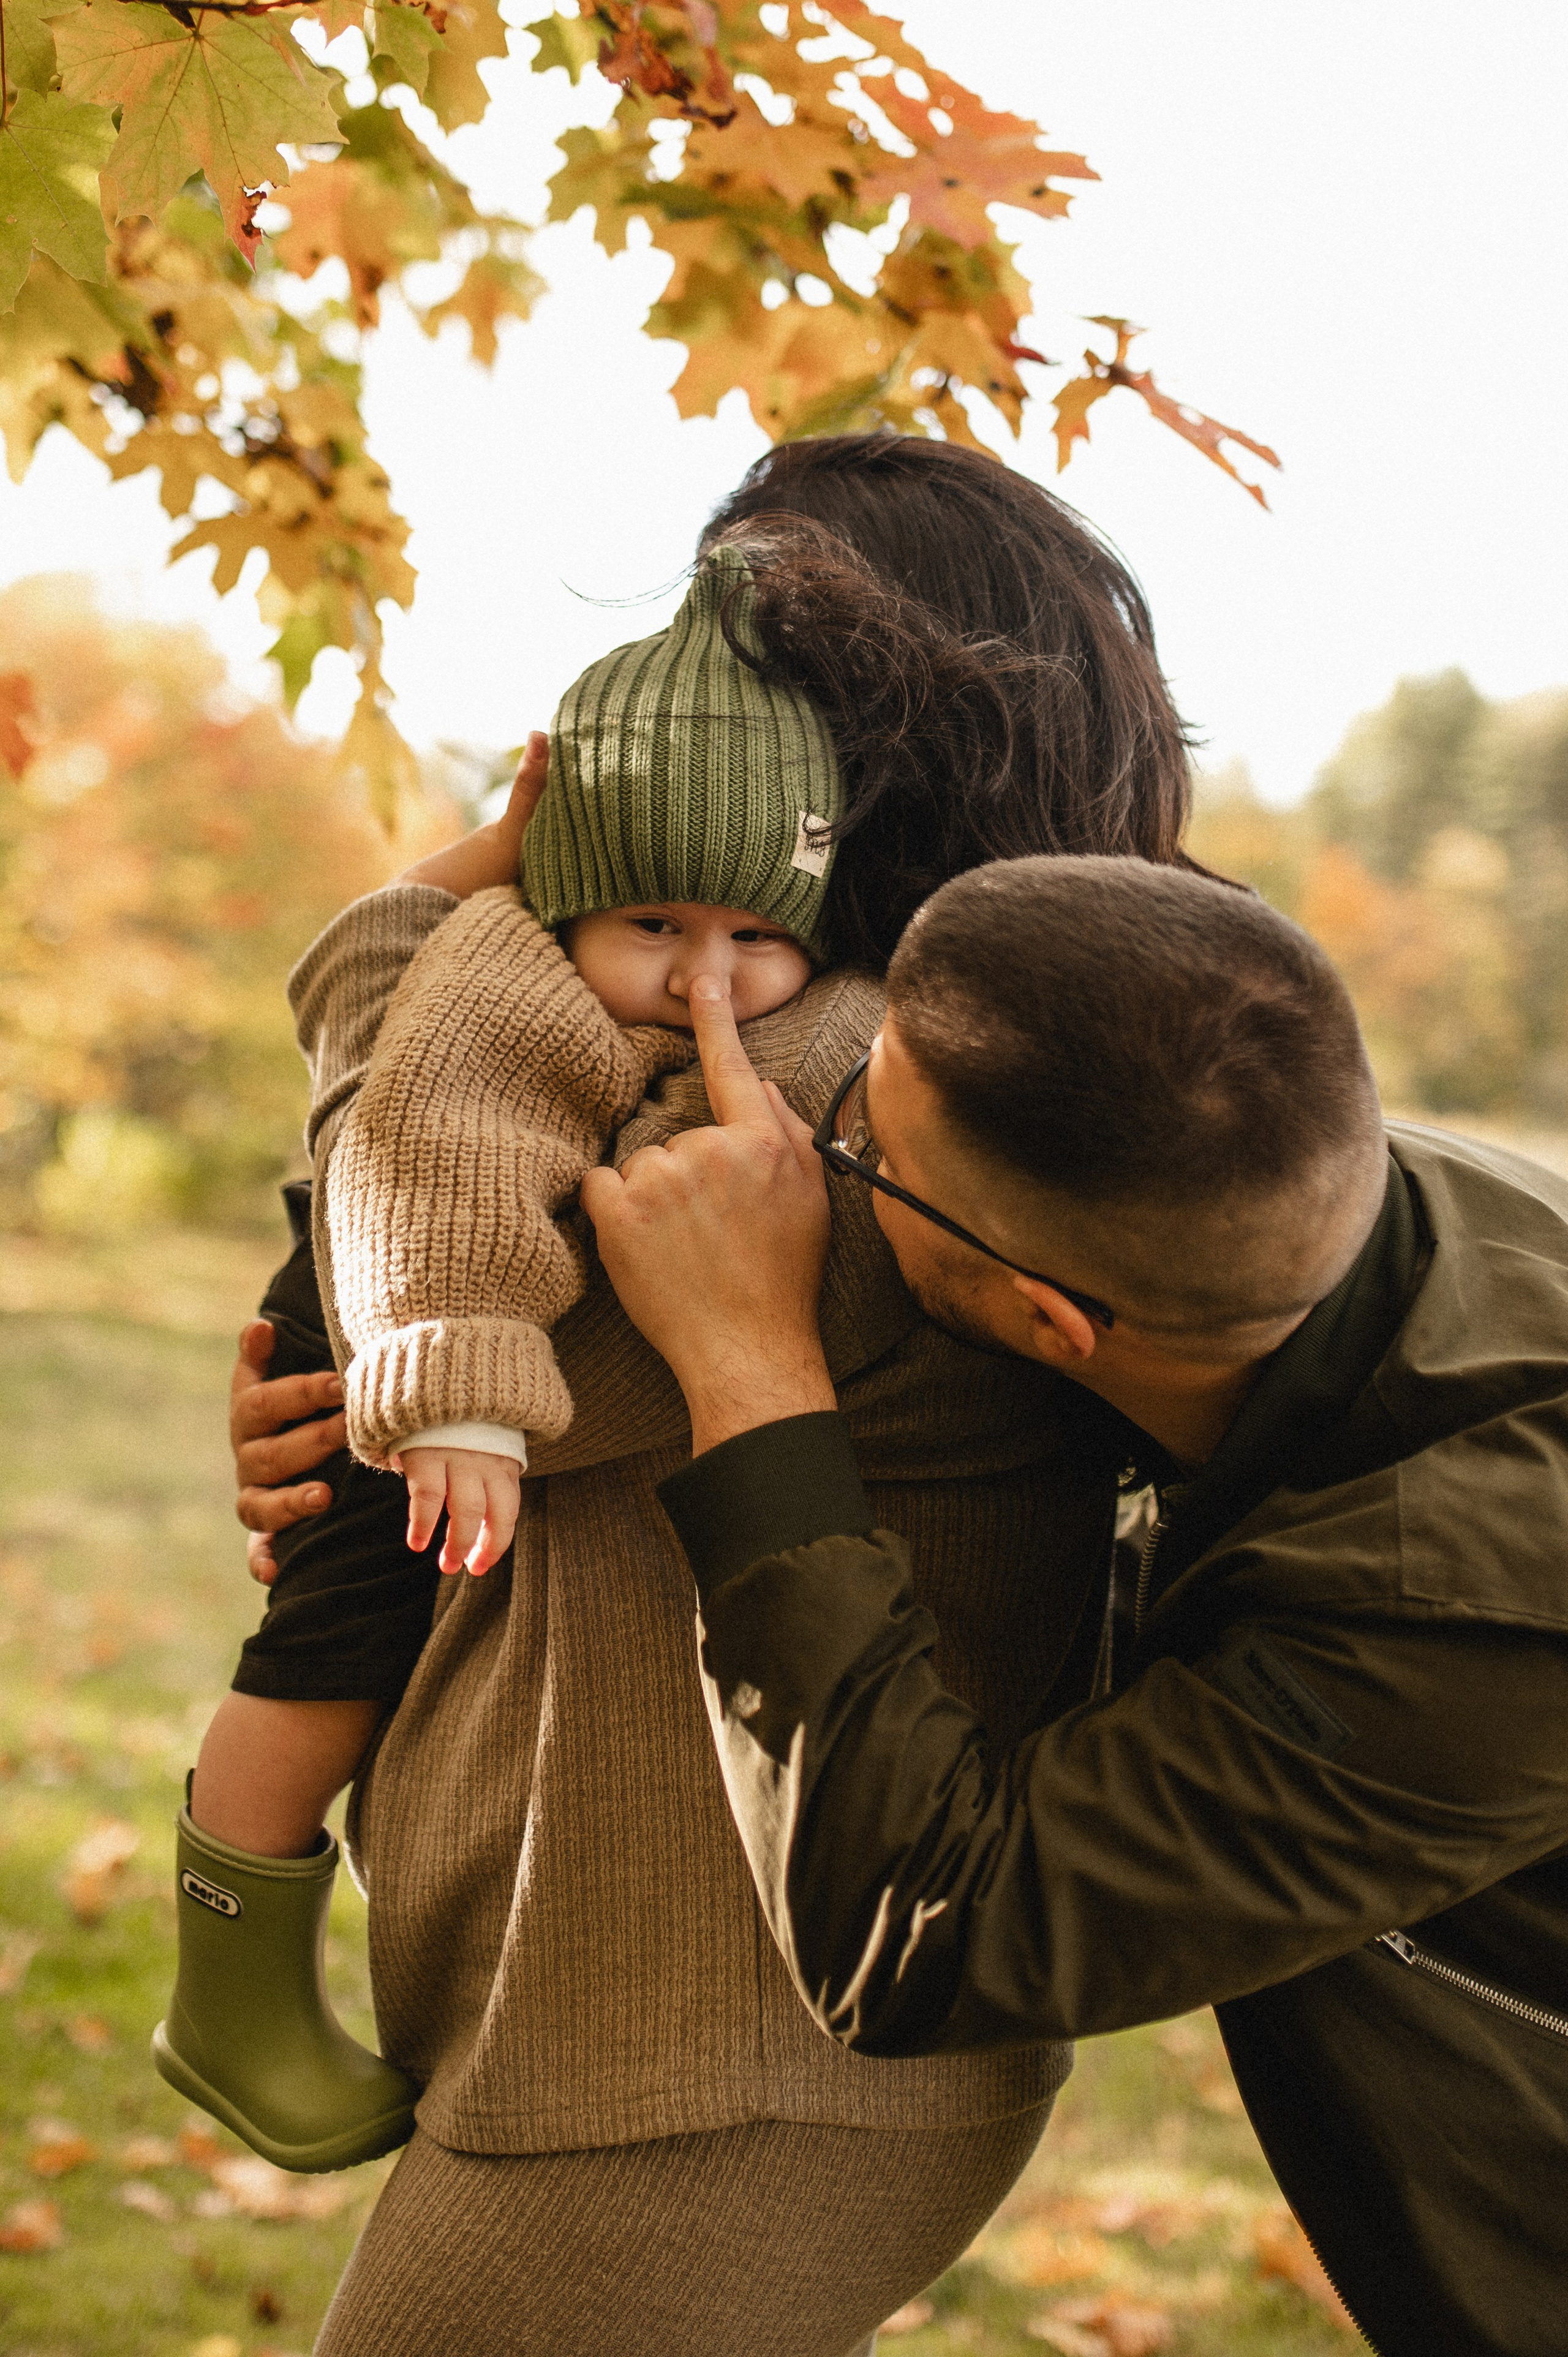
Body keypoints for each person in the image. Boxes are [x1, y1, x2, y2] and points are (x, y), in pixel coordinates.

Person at [221, 432, 1202, 2356]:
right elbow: (416, 1297)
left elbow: (446, 1249)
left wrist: (436, 923)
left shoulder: (851, 1085)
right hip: (666, 2030)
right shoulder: (896, 1038)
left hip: (706, 2057)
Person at [579, 851, 1568, 2357]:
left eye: (860, 1147)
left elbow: (932, 1927)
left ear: (1050, 1317)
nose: (825, 1133)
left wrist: (748, 1366)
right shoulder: (1303, 1193)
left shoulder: (1469, 1610)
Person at [156, 548, 846, 2168]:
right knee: (338, 1625)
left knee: (363, 1613)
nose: (704, 974)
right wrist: (458, 1386)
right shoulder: (507, 969)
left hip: (438, 1297)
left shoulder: (741, 1010)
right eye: (654, 921)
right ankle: (225, 1973)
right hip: (401, 1306)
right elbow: (446, 1153)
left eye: (757, 933)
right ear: (563, 896)